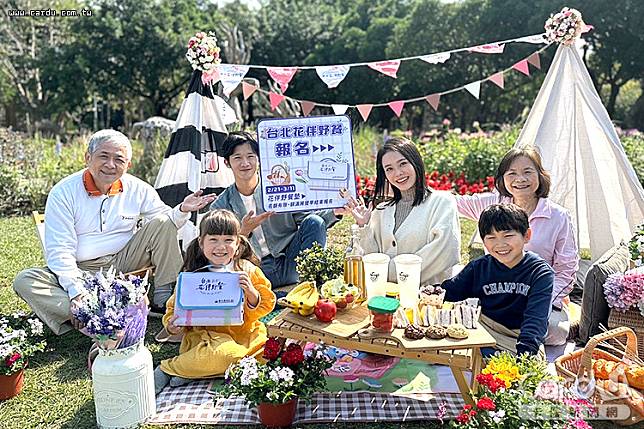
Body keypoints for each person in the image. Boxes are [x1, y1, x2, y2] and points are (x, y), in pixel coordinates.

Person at [12, 129, 215, 335]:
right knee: (25, 280)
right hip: (81, 269)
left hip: (123, 262)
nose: (110, 165)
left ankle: (163, 298)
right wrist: (75, 292)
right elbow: (59, 250)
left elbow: (166, 223)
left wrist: (182, 210)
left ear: (128, 165)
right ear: (87, 158)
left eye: (118, 159)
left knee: (163, 221)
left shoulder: (138, 188)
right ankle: (94, 315)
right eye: (103, 156)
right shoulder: (63, 192)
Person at [455, 147, 579, 345]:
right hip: (495, 292)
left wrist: (539, 301)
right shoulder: (494, 205)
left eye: (527, 172)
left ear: (540, 175)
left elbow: (567, 268)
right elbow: (451, 203)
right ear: (502, 178)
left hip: (540, 296)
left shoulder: (558, 216)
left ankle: (502, 337)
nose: (520, 179)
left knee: (554, 332)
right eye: (512, 173)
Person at [154, 209, 275, 394]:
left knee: (268, 354)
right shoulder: (194, 274)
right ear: (201, 243)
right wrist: (172, 326)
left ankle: (193, 373)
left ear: (238, 243)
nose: (221, 247)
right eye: (213, 240)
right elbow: (175, 309)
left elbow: (265, 304)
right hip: (205, 338)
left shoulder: (245, 270)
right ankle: (168, 368)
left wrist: (251, 292)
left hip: (244, 335)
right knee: (228, 356)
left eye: (228, 240)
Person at [210, 131, 341, 288]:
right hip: (253, 271)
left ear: (259, 159)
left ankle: (311, 284)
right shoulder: (220, 206)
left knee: (315, 222)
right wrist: (244, 232)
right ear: (227, 163)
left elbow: (308, 218)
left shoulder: (280, 189)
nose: (245, 163)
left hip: (291, 262)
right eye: (237, 158)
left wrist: (336, 212)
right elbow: (219, 252)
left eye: (250, 156)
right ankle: (271, 293)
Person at [344, 137, 461, 286]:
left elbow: (445, 253)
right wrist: (364, 227)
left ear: (416, 162)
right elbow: (372, 258)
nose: (398, 173)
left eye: (403, 163)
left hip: (428, 299)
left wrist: (387, 272)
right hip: (384, 300)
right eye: (389, 169)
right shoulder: (381, 211)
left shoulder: (442, 202)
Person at [442, 204, 554, 357]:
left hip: (518, 335)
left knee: (519, 369)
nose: (500, 244)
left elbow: (536, 320)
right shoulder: (479, 267)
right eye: (491, 238)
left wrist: (526, 354)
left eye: (508, 236)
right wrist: (423, 292)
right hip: (485, 328)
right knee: (451, 353)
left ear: (527, 235)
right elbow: (449, 292)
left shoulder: (539, 272)